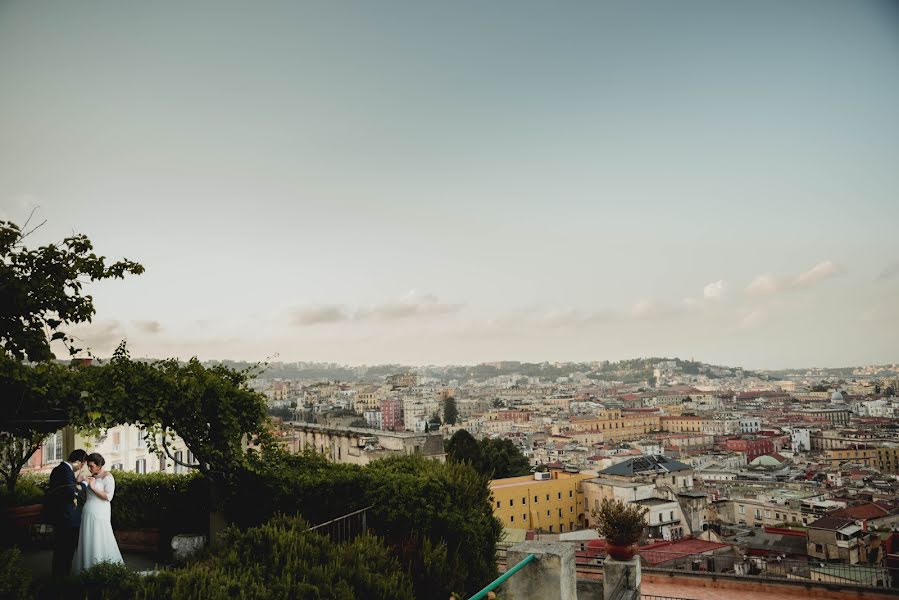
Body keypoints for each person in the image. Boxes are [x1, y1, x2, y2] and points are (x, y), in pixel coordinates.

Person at [72, 453, 124, 573]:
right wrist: (79, 479)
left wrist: (94, 487)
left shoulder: (108, 477)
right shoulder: (91, 476)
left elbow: (108, 497)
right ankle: (86, 568)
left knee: (99, 537)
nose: (89, 469)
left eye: (91, 466)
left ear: (99, 465)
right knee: (88, 538)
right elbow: (80, 490)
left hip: (100, 512)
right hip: (87, 511)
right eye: (88, 466)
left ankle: (100, 568)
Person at [47, 449, 88, 577]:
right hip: (67, 518)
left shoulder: (58, 469)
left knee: (60, 549)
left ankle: (58, 575)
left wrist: (75, 482)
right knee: (66, 550)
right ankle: (62, 577)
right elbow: (72, 493)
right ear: (78, 462)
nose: (81, 468)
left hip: (59, 516)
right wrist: (84, 484)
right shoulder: (66, 471)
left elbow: (64, 489)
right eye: (82, 465)